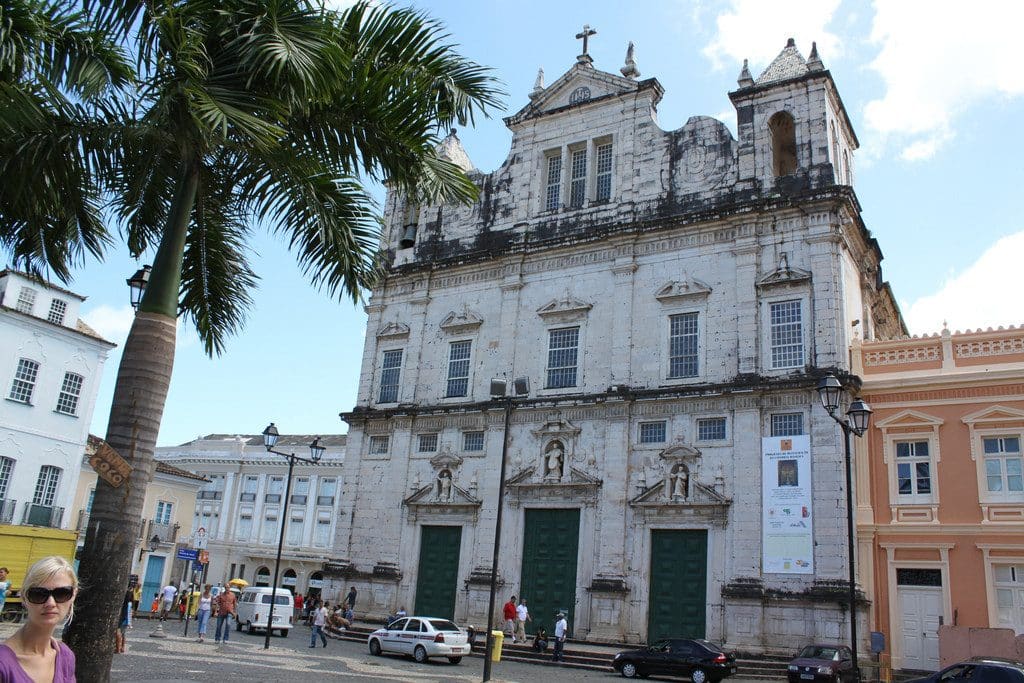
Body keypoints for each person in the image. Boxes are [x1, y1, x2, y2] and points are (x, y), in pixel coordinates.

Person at [0, 555, 78, 681]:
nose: (51, 603)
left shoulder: (65, 656)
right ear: (24, 597)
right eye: (38, 594)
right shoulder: (4, 665)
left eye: (62, 593)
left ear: (73, 595)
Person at [115, 587, 132, 654]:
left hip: (122, 616)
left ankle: (118, 649)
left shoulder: (123, 601)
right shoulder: (129, 603)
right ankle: (122, 647)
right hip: (126, 617)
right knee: (123, 633)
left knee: (118, 631)